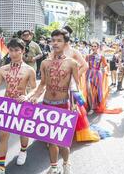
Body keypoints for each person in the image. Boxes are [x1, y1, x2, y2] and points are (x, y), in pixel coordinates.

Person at [0, 38, 37, 174]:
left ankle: (23, 151)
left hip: (23, 105)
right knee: (3, 136)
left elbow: (35, 89)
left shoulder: (29, 70)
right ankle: (1, 167)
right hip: (6, 105)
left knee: (23, 132)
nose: (13, 53)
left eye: (17, 50)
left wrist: (27, 96)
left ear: (23, 51)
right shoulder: (3, 69)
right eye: (11, 50)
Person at [29, 29, 78, 174]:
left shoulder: (72, 63)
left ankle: (66, 163)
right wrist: (35, 96)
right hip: (47, 104)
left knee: (63, 141)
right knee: (50, 140)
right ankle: (54, 166)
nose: (55, 43)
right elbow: (43, 84)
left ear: (66, 43)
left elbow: (76, 86)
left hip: (64, 104)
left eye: (59, 40)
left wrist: (75, 104)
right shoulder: (44, 63)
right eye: (53, 40)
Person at [85, 42, 109, 115]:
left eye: (95, 46)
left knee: (95, 91)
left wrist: (104, 69)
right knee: (89, 90)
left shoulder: (101, 56)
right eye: (92, 46)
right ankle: (91, 108)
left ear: (98, 47)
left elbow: (105, 65)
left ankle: (96, 105)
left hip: (97, 74)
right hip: (89, 74)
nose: (93, 47)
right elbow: (84, 64)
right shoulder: (88, 56)